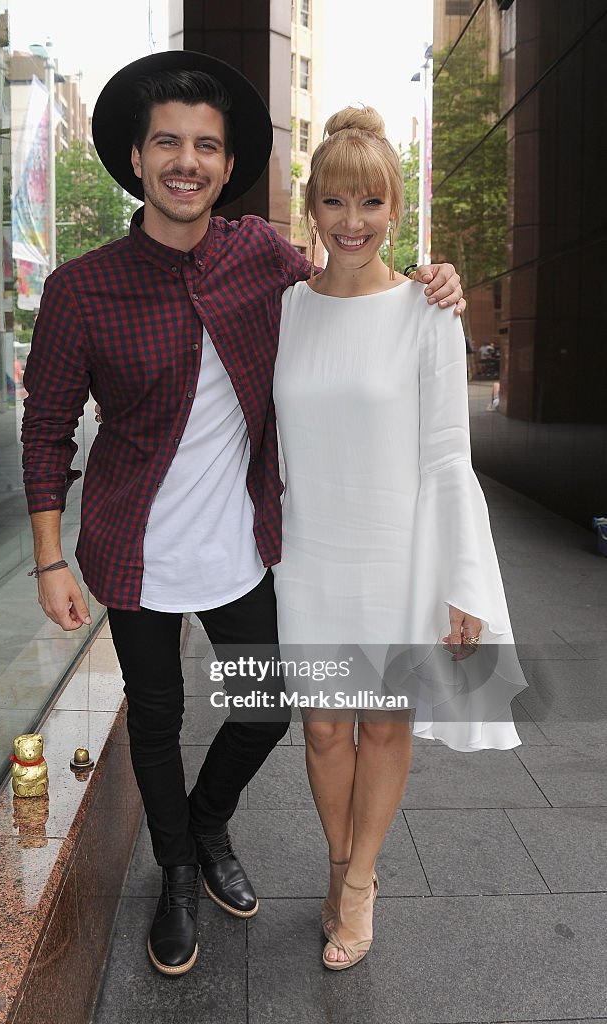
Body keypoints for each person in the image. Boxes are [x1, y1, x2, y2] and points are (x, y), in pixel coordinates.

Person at [21, 52, 464, 977]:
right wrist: (50, 560)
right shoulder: (81, 288)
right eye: (169, 144)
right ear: (137, 159)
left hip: (247, 547)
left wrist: (435, 280)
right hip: (130, 550)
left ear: (227, 168)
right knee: (155, 718)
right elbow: (46, 432)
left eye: (207, 147)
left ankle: (208, 819)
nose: (188, 161)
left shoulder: (263, 258)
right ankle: (178, 868)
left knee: (265, 711)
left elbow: (352, 290)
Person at [272, 107, 528, 971]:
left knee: (383, 726)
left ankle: (359, 880)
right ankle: (341, 859)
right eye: (336, 202)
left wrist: (462, 581)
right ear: (313, 208)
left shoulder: (429, 309)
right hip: (309, 556)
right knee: (320, 729)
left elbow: (450, 456)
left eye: (371, 202)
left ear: (393, 207)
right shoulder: (284, 311)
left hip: (396, 554)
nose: (353, 221)